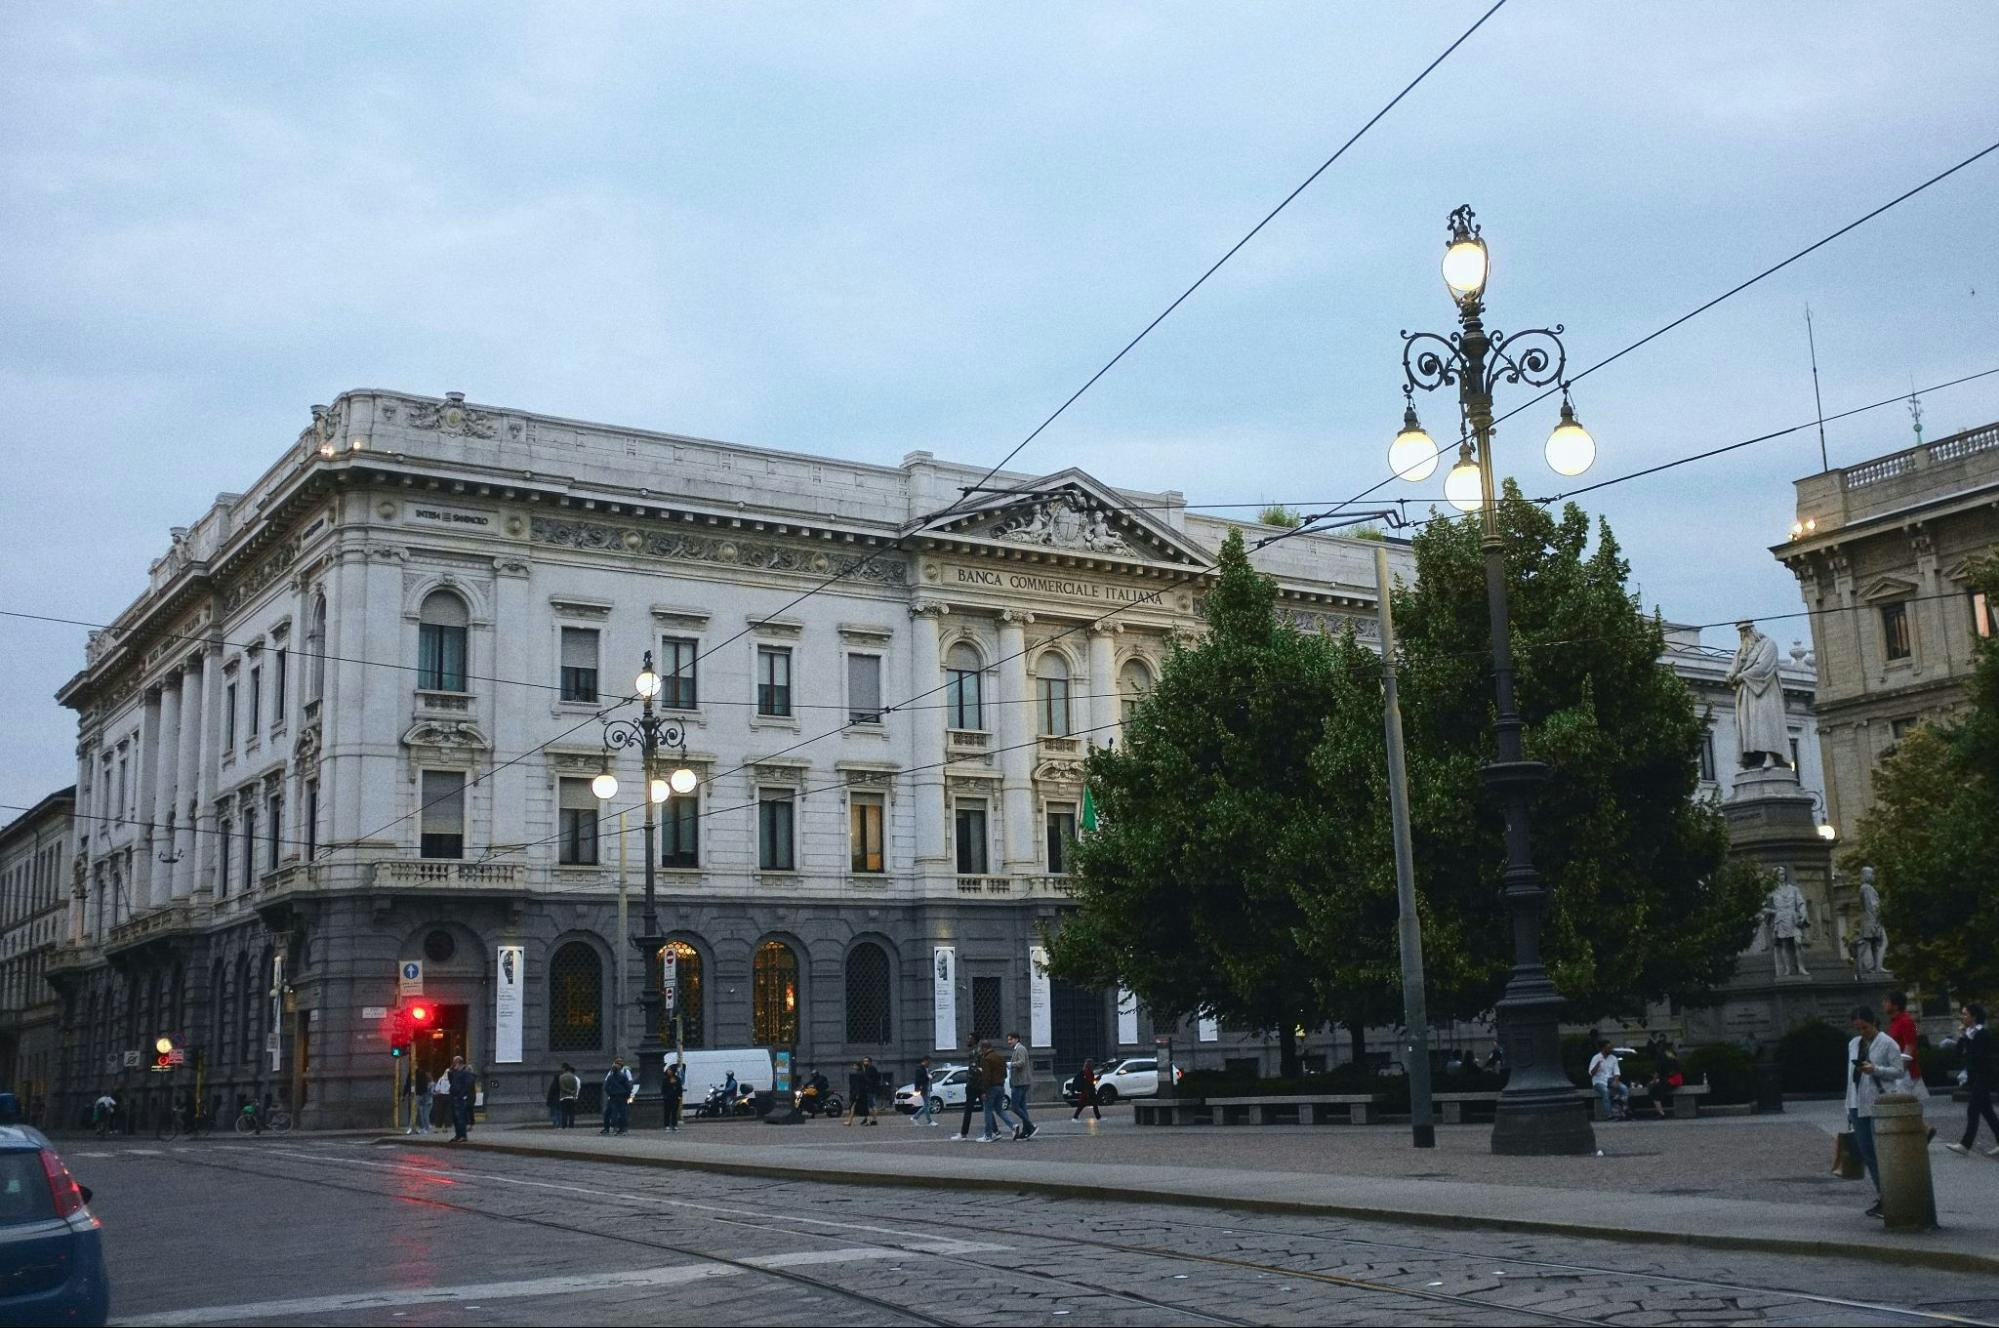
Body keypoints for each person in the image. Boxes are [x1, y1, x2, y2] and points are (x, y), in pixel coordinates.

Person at [1846, 1006, 1906, 1218]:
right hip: (1857, 1103)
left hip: (1878, 1102)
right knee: (1868, 1153)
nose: (1862, 1032)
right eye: (1858, 1028)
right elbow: (1850, 1077)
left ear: (1874, 1023)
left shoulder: (1888, 1043)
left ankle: (1893, 1196)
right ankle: (1883, 1195)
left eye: (1866, 1027)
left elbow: (1899, 1071)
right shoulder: (1853, 1044)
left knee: (1882, 1152)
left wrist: (1877, 1070)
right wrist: (1848, 1105)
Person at [1945, 1003, 1999, 1157]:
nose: (1963, 1017)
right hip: (1975, 1077)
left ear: (1973, 1016)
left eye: (1965, 1014)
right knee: (1987, 1111)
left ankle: (1965, 1144)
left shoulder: (1983, 1034)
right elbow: (1958, 1054)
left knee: (1973, 1109)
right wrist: (1963, 1037)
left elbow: (1978, 1056)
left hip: (1984, 1076)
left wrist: (1968, 1040)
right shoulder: (1968, 1034)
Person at [978, 1040, 1018, 1143]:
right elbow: (1005, 1073)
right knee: (999, 1110)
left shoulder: (986, 1059)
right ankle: (1013, 1126)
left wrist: (983, 1091)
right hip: (1001, 1086)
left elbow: (986, 1076)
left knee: (987, 1110)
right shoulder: (1000, 1057)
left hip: (991, 1088)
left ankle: (988, 1135)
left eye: (981, 1049)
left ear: (984, 1048)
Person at [1005, 1031, 1038, 1140]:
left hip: (1020, 1082)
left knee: (1015, 1107)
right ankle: (1026, 1130)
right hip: (1021, 1082)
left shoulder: (1020, 1049)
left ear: (1016, 1039)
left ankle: (1031, 1126)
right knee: (1022, 1107)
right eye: (1008, 1039)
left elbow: (1022, 1062)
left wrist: (1010, 1064)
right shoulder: (1017, 1049)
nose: (1008, 1042)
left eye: (1010, 1039)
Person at [953, 1037, 984, 1141]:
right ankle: (995, 1130)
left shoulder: (976, 1053)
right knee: (985, 1109)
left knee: (970, 1110)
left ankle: (963, 1133)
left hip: (975, 1086)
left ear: (975, 1041)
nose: (967, 1040)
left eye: (970, 1038)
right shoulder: (975, 1052)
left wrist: (970, 1082)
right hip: (976, 1085)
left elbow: (976, 1070)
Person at [1588, 1041, 1625, 1122]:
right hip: (1599, 1081)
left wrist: (1616, 1081)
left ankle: (1624, 1108)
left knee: (1624, 1088)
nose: (1611, 1049)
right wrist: (1597, 1065)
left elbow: (1616, 1072)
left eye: (1611, 1047)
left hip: (1610, 1079)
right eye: (1609, 1048)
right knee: (1605, 1092)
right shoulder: (1596, 1058)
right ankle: (1610, 1115)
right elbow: (1591, 1073)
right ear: (1603, 1048)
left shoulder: (1613, 1058)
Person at [446, 1056, 476, 1142]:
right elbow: (451, 1079)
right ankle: (458, 1135)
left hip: (460, 1098)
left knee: (461, 1118)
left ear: (458, 1063)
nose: (454, 1065)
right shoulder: (456, 1072)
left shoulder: (465, 1072)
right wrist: (451, 1070)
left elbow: (468, 1084)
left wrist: (462, 1094)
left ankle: (463, 1135)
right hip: (455, 1097)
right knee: (456, 1118)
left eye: (455, 1063)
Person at [602, 1056, 634, 1136]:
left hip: (615, 1096)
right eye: (618, 1062)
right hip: (620, 1096)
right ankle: (617, 1128)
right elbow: (628, 1086)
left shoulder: (624, 1073)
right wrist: (628, 1094)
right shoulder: (621, 1075)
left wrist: (610, 1093)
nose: (619, 1063)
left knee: (616, 1113)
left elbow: (606, 1087)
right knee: (618, 1112)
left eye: (620, 1062)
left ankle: (617, 1128)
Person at [406, 1065, 434, 1135]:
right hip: (417, 1096)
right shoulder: (414, 1074)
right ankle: (420, 1127)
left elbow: (426, 1089)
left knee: (420, 1113)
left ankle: (420, 1127)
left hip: (419, 1096)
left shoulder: (421, 1074)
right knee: (419, 1113)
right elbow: (407, 1084)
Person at [1072, 1059, 1100, 1124]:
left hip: (1087, 1091)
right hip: (1088, 1091)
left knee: (1089, 1104)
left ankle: (1098, 1117)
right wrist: (1097, 1079)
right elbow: (1091, 1082)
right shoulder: (1088, 1072)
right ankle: (1075, 1117)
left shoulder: (1085, 1071)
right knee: (1084, 1104)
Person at [911, 1056, 936, 1127]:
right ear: (925, 1061)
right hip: (924, 1089)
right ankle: (929, 1121)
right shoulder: (920, 1069)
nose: (929, 1064)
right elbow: (920, 1080)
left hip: (925, 1088)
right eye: (929, 1062)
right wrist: (929, 1077)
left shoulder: (923, 1069)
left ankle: (915, 1117)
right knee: (927, 1105)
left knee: (926, 1105)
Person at [557, 1063, 580, 1129]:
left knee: (564, 1112)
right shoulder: (573, 1077)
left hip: (563, 1097)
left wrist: (569, 1091)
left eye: (562, 1068)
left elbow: (562, 1087)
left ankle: (564, 1126)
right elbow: (576, 1087)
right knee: (571, 1113)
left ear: (564, 1068)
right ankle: (571, 1125)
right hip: (572, 1097)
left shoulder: (561, 1077)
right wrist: (574, 1095)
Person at [661, 1063, 684, 1132]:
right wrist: (665, 1096)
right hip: (668, 1098)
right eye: (668, 1070)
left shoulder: (677, 1079)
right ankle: (667, 1125)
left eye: (670, 1070)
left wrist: (679, 1096)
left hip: (675, 1098)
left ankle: (674, 1125)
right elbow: (663, 1089)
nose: (668, 1071)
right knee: (667, 1112)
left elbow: (679, 1088)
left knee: (674, 1112)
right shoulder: (665, 1079)